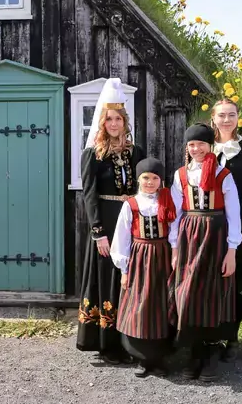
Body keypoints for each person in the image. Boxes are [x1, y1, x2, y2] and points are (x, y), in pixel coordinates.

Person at [77, 78, 145, 364]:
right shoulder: (92, 154)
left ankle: (131, 339)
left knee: (130, 278)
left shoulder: (136, 153)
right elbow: (89, 195)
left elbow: (145, 190)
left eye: (118, 119)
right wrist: (98, 233)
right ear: (102, 122)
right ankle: (106, 343)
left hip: (131, 221)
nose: (114, 124)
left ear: (125, 121)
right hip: (106, 221)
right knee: (106, 278)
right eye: (109, 119)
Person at [168, 123, 242, 382]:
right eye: (191, 144)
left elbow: (234, 215)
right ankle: (193, 353)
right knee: (187, 294)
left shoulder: (223, 175)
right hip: (190, 236)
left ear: (210, 146)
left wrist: (232, 250)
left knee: (212, 294)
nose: (196, 148)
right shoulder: (180, 175)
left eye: (201, 144)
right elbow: (175, 214)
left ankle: (210, 355)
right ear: (186, 148)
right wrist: (175, 247)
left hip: (216, 237)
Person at [110, 157, 177, 378]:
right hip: (139, 257)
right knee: (140, 305)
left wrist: (175, 255)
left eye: (155, 178)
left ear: (161, 180)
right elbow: (121, 239)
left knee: (161, 304)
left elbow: (175, 231)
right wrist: (124, 269)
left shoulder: (167, 201)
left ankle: (160, 358)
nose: (150, 182)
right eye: (146, 178)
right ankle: (142, 358)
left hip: (163, 256)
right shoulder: (131, 205)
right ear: (138, 180)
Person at [211, 99, 242, 362]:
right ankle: (208, 334)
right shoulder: (204, 147)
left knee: (236, 277)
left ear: (238, 118)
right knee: (210, 277)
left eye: (231, 115)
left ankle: (231, 336)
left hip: (239, 224)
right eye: (222, 115)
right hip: (209, 225)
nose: (227, 120)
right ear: (214, 118)